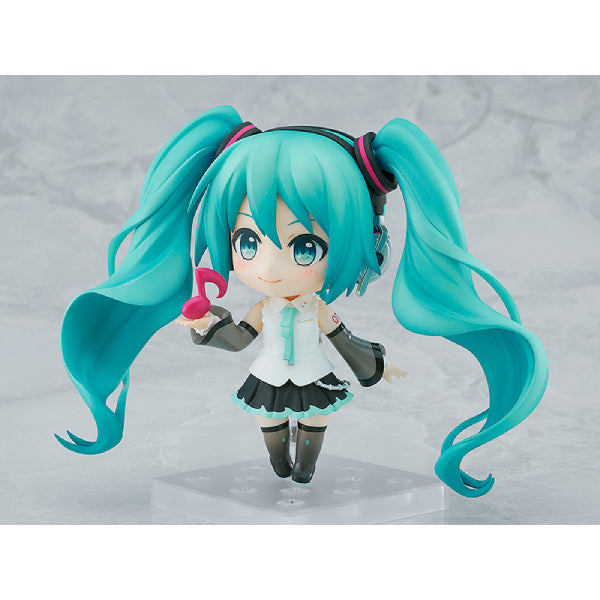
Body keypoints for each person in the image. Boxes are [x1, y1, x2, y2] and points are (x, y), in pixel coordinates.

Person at [58, 105, 548, 496]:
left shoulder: (318, 309)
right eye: (248, 242)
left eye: (304, 247)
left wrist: (378, 366)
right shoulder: (263, 309)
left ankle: (305, 467)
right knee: (268, 419)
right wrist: (207, 325)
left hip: (314, 375)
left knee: (315, 418)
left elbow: (343, 339)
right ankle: (279, 460)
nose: (270, 269)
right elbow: (240, 339)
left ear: (366, 243)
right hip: (269, 375)